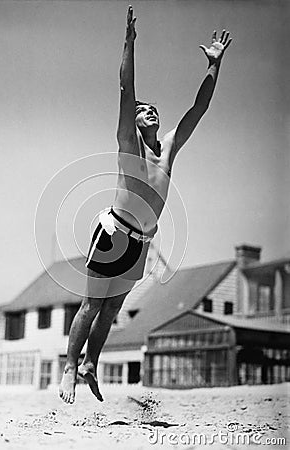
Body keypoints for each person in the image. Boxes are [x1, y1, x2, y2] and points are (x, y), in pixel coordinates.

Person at [59, 5, 232, 404]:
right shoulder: (129, 145)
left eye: (153, 108)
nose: (147, 110)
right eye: (142, 110)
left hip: (140, 241)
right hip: (114, 232)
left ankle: (90, 365)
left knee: (113, 309)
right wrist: (129, 43)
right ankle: (70, 368)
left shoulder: (168, 148)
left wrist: (214, 66)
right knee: (91, 304)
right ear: (133, 122)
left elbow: (199, 109)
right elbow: (126, 90)